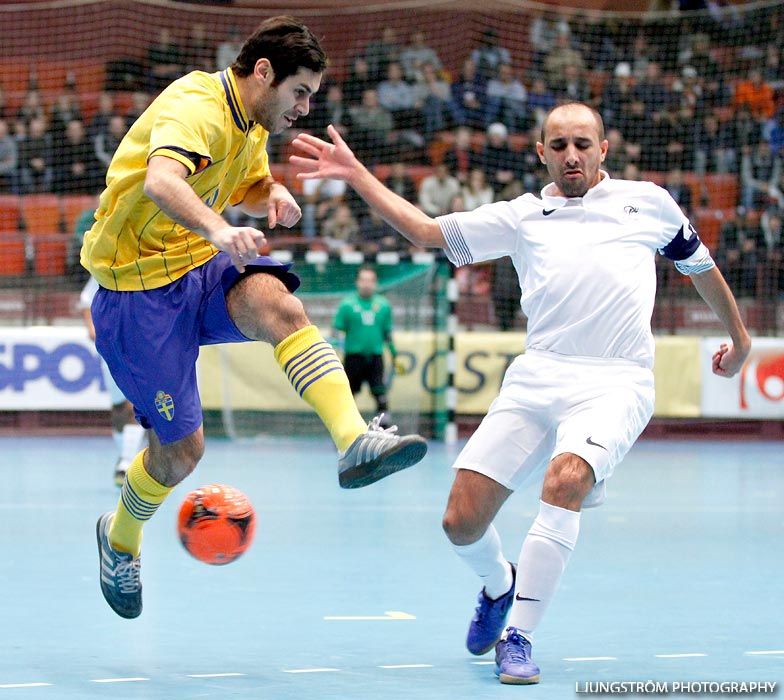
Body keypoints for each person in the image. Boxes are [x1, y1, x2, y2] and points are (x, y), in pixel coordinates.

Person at [289, 102, 751, 685]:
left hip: (616, 379)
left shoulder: (650, 203)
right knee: (460, 521)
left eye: (583, 143)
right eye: (558, 145)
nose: (572, 155)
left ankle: (520, 636)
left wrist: (738, 338)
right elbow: (429, 232)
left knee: (566, 481)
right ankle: (498, 584)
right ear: (541, 153)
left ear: (604, 149)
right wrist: (358, 176)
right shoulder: (522, 216)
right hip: (538, 376)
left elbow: (700, 267)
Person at [81, 16, 427, 621]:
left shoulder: (249, 123)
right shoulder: (196, 105)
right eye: (300, 93)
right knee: (181, 454)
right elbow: (164, 180)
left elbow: (239, 177)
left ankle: (353, 443)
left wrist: (267, 191)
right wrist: (218, 227)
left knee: (280, 306)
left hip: (195, 268)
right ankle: (120, 538)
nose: (303, 108)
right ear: (263, 73)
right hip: (136, 296)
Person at [79, 276, 148, 487]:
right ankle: (125, 454)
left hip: (140, 345)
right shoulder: (106, 263)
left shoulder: (150, 267)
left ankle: (127, 462)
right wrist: (91, 327)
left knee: (133, 405)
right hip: (111, 347)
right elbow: (85, 300)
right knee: (119, 409)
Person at [333, 265, 404, 428]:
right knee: (347, 397)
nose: (366, 284)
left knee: (380, 395)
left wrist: (394, 355)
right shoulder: (347, 305)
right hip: (353, 358)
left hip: (375, 358)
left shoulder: (383, 306)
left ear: (375, 283)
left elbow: (387, 333)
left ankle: (385, 433)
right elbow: (336, 332)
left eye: (370, 280)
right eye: (363, 280)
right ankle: (345, 431)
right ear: (357, 282)